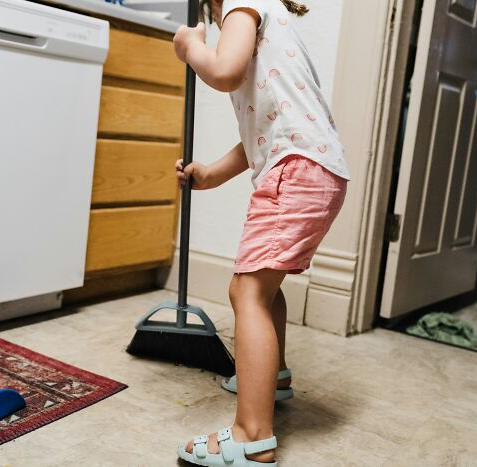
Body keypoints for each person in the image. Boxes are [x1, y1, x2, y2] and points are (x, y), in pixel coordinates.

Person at [173, 0, 350, 465]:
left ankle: (252, 436)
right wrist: (211, 172)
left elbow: (226, 72)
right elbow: (263, 127)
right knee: (266, 286)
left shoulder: (241, 4)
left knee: (246, 290)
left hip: (295, 170)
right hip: (317, 167)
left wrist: (193, 47)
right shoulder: (271, 19)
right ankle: (275, 378)